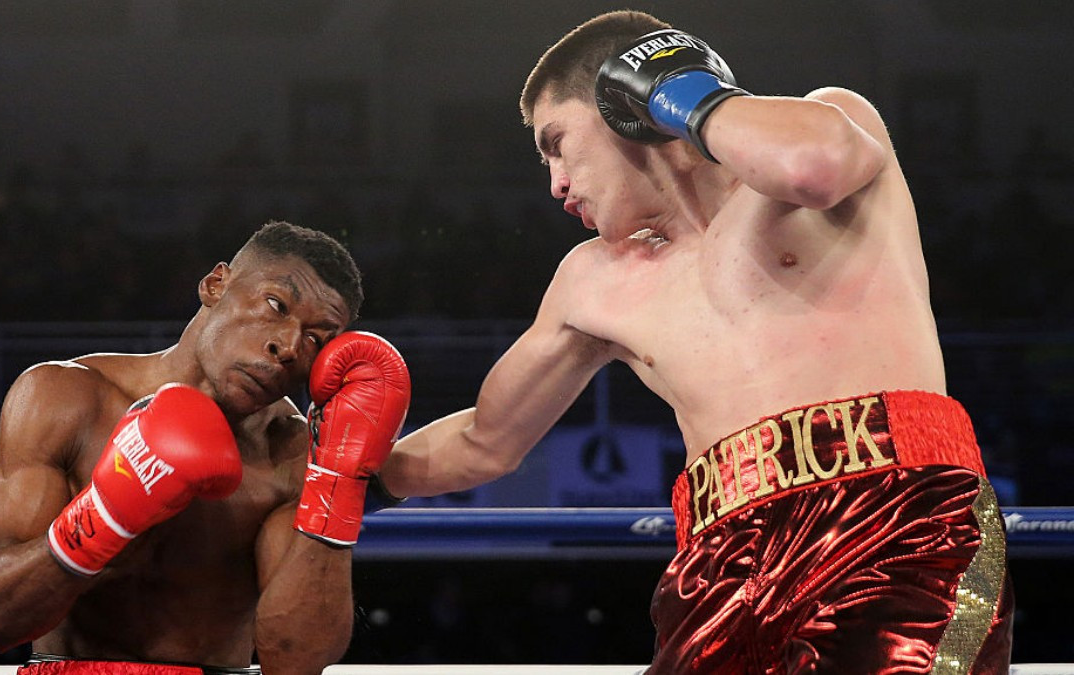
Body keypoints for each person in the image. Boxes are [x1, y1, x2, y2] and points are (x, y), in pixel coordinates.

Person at [377, 10, 1013, 673]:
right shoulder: (593, 281)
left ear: (620, 104)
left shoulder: (829, 122)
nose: (556, 184)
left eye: (558, 143)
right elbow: (486, 438)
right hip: (719, 564)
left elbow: (813, 166)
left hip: (895, 519)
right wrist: (346, 476)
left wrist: (682, 96)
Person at [0, 220, 411, 675]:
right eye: (276, 304)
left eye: (317, 338)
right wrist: (103, 518)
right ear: (216, 284)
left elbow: (296, 661)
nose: (289, 346)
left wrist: (337, 486)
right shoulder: (66, 398)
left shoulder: (292, 457)